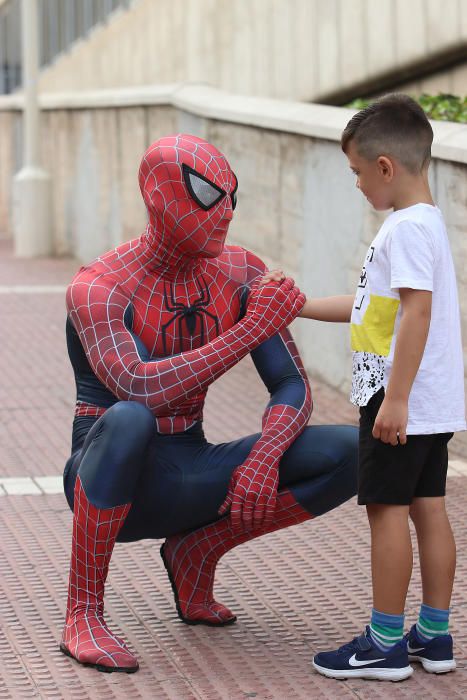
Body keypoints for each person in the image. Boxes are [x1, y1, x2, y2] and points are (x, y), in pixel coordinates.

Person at [60, 133, 358, 673]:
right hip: (108, 474)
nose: (224, 211)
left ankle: (197, 550)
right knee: (129, 420)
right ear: (157, 196)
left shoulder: (240, 270)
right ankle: (82, 612)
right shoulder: (99, 285)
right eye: (205, 193)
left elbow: (291, 384)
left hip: (193, 464)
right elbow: (136, 388)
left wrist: (266, 456)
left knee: (357, 452)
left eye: (232, 196)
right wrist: (248, 332)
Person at [263, 94, 466, 681]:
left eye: (356, 172)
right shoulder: (427, 224)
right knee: (429, 509)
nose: (355, 184)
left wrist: (395, 399)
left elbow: (415, 316)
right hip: (433, 401)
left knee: (386, 511)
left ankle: (383, 644)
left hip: (397, 398)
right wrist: (297, 304)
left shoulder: (402, 230)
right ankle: (433, 634)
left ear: (385, 167)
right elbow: (368, 310)